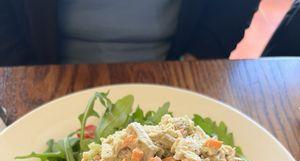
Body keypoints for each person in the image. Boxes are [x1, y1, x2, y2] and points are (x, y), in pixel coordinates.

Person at [0, 0, 262, 66]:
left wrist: (198, 56)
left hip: (173, 68)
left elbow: (232, 7)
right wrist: (27, 71)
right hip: (44, 69)